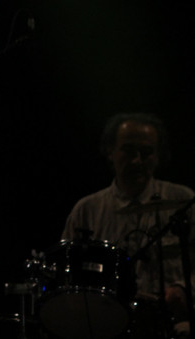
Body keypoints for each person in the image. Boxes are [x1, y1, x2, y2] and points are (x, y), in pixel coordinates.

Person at [61, 113, 195, 337]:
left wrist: (184, 288)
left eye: (147, 152)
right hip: (107, 325)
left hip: (174, 325)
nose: (137, 161)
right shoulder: (87, 210)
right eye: (128, 150)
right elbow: (66, 275)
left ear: (159, 156)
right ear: (110, 152)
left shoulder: (184, 201)